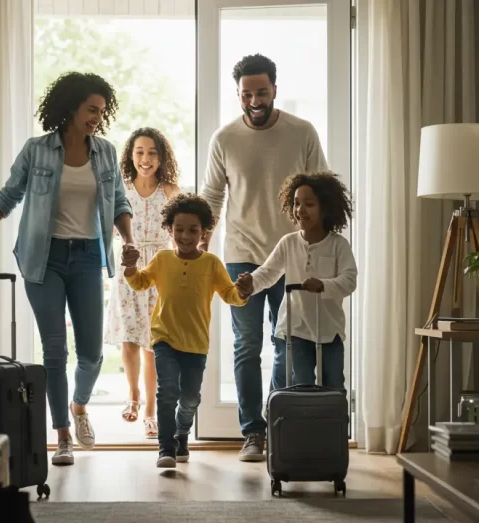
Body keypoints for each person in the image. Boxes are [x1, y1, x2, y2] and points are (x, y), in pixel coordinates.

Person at [0, 71, 135, 467]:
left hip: (87, 257)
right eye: (91, 109)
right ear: (71, 107)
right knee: (54, 349)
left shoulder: (105, 152)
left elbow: (119, 202)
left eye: (101, 112)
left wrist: (130, 242)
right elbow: (6, 198)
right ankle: (62, 433)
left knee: (91, 353)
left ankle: (80, 405)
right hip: (43, 258)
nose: (97, 118)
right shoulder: (37, 150)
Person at [199, 53, 330, 461]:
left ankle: (278, 425)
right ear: (238, 94)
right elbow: (213, 195)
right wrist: (201, 240)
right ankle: (253, 433)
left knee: (288, 343)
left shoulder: (302, 132)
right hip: (242, 256)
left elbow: (322, 187)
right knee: (246, 345)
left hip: (291, 254)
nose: (254, 100)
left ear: (275, 88)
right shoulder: (223, 139)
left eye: (261, 92)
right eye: (246, 94)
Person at [122, 194, 250, 468]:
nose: (185, 236)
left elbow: (230, 295)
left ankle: (181, 434)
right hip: (164, 338)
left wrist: (243, 292)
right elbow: (140, 282)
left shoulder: (211, 263)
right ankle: (165, 449)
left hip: (196, 344)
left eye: (193, 230)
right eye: (179, 230)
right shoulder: (162, 259)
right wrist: (131, 266)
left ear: (204, 231)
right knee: (167, 392)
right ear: (169, 229)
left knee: (190, 399)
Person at [236, 172, 357, 396]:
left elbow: (349, 281)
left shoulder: (338, 245)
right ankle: (302, 429)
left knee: (334, 384)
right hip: (296, 328)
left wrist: (322, 285)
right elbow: (268, 272)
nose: (300, 210)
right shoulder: (288, 243)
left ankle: (333, 429)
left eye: (309, 204)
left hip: (329, 330)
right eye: (296, 203)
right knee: (300, 385)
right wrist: (251, 283)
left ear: (326, 208)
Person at [103, 128, 182, 439]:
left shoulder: (171, 191)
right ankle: (132, 396)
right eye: (139, 152)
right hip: (130, 268)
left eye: (152, 152)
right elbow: (106, 229)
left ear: (161, 157)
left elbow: (188, 231)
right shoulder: (120, 191)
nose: (146, 159)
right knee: (129, 338)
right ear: (130, 156)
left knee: (155, 344)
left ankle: (150, 412)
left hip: (161, 270)